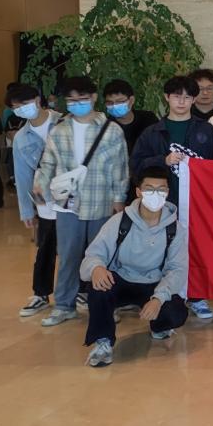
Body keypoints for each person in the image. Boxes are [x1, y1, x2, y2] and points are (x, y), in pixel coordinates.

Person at [34, 76, 129, 327]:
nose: (77, 104)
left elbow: (120, 168)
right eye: (72, 100)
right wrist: (40, 187)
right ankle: (64, 306)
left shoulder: (111, 130)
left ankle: (105, 305)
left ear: (94, 98)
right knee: (68, 256)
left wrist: (119, 199)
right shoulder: (59, 129)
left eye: (83, 99)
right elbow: (48, 163)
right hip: (68, 205)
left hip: (101, 201)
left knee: (104, 258)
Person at [131, 75, 213, 320]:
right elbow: (136, 166)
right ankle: (164, 297)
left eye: (187, 97)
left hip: (198, 204)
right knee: (163, 250)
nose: (182, 102)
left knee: (197, 249)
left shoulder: (205, 129)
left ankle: (197, 295)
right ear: (166, 97)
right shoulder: (152, 132)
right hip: (163, 204)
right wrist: (163, 160)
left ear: (194, 100)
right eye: (176, 96)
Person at [81, 166, 189, 367]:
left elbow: (177, 269)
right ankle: (103, 342)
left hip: (153, 283)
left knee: (176, 313)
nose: (155, 194)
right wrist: (96, 268)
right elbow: (94, 253)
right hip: (121, 278)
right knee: (98, 288)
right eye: (149, 189)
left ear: (167, 192)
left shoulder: (175, 228)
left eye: (161, 189)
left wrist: (158, 299)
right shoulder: (120, 221)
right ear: (139, 191)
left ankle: (159, 326)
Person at [7, 84, 62, 317]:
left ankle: (82, 291)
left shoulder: (63, 122)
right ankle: (41, 293)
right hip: (43, 195)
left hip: (73, 193)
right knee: (46, 245)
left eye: (25, 104)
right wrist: (26, 211)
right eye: (16, 107)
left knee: (77, 245)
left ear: (38, 100)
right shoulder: (21, 138)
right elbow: (22, 176)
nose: (22, 109)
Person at [102, 79, 158, 155]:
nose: (114, 106)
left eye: (119, 101)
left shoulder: (148, 119)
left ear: (131, 100)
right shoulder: (105, 127)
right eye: (110, 103)